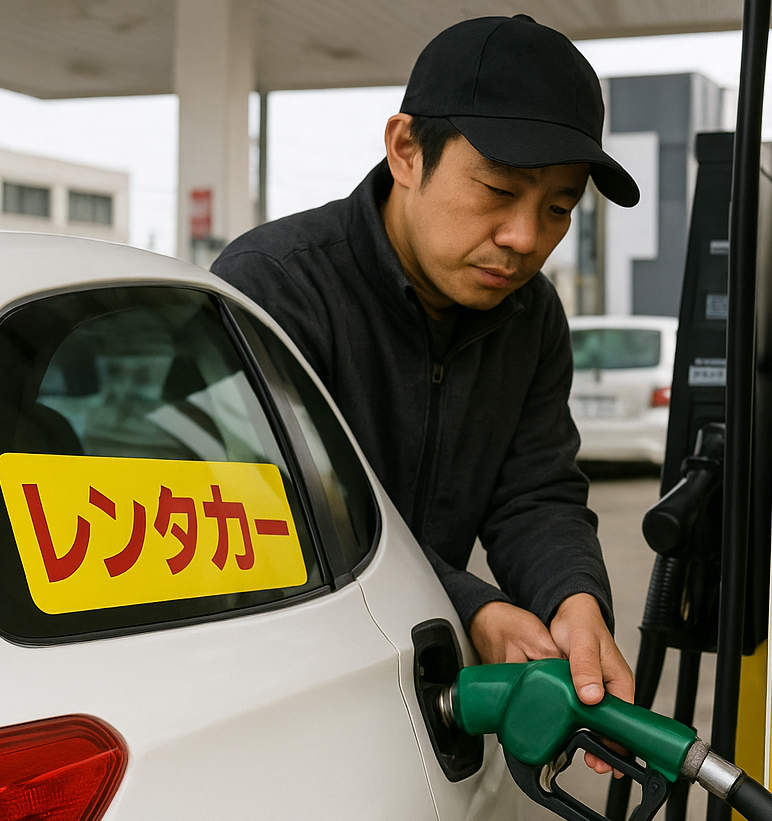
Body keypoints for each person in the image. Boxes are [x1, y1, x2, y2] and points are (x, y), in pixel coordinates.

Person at [212, 14, 638, 771]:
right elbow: (283, 514)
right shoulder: (272, 287)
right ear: (406, 150)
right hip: (273, 703)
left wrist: (574, 601)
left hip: (434, 701)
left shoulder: (530, 314)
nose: (523, 237)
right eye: (499, 190)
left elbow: (534, 491)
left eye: (559, 208)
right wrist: (477, 611)